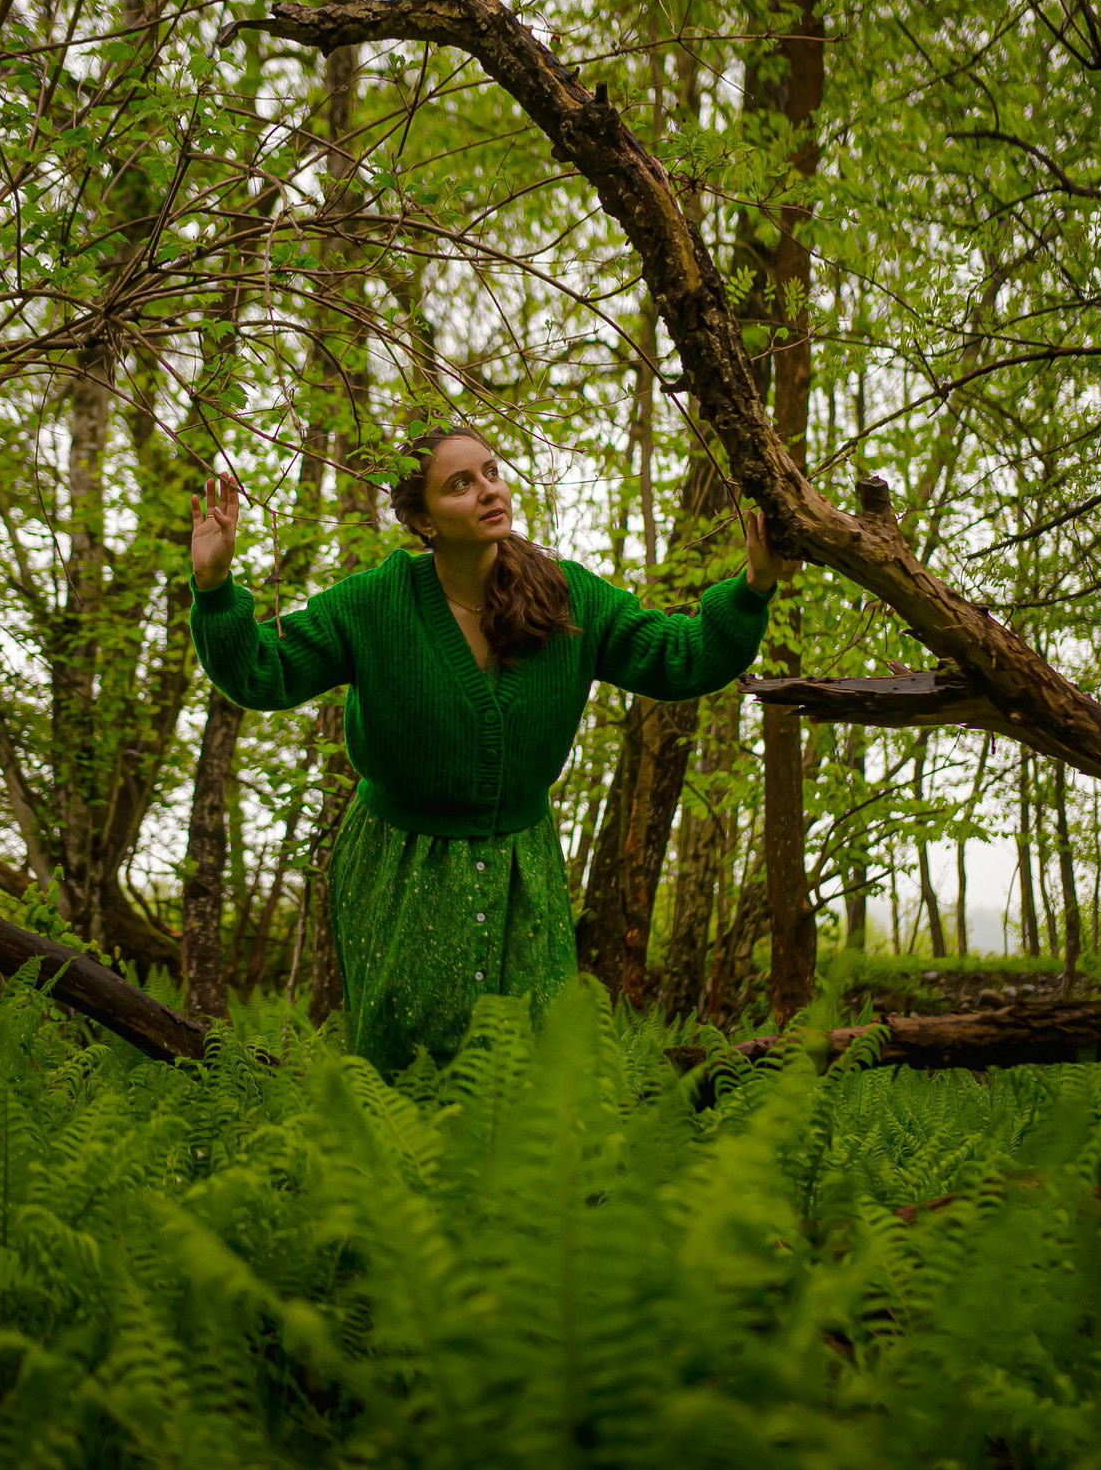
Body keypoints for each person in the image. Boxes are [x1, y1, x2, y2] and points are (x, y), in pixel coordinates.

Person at [187, 426, 796, 1073]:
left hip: (521, 868)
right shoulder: (373, 605)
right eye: (460, 483)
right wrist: (216, 583)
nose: (489, 489)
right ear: (423, 519)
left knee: (534, 1066)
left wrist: (752, 588)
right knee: (409, 1063)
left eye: (491, 471)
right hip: (400, 866)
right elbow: (262, 671)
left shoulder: (568, 597)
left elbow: (682, 656)